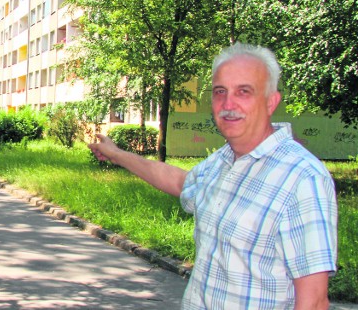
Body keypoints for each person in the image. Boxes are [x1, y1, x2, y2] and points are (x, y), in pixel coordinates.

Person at [89, 43, 337, 309]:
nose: (228, 104)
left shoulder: (302, 178)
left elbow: (313, 301)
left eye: (244, 91)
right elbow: (180, 182)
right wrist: (117, 154)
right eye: (220, 92)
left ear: (270, 102)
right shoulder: (224, 159)